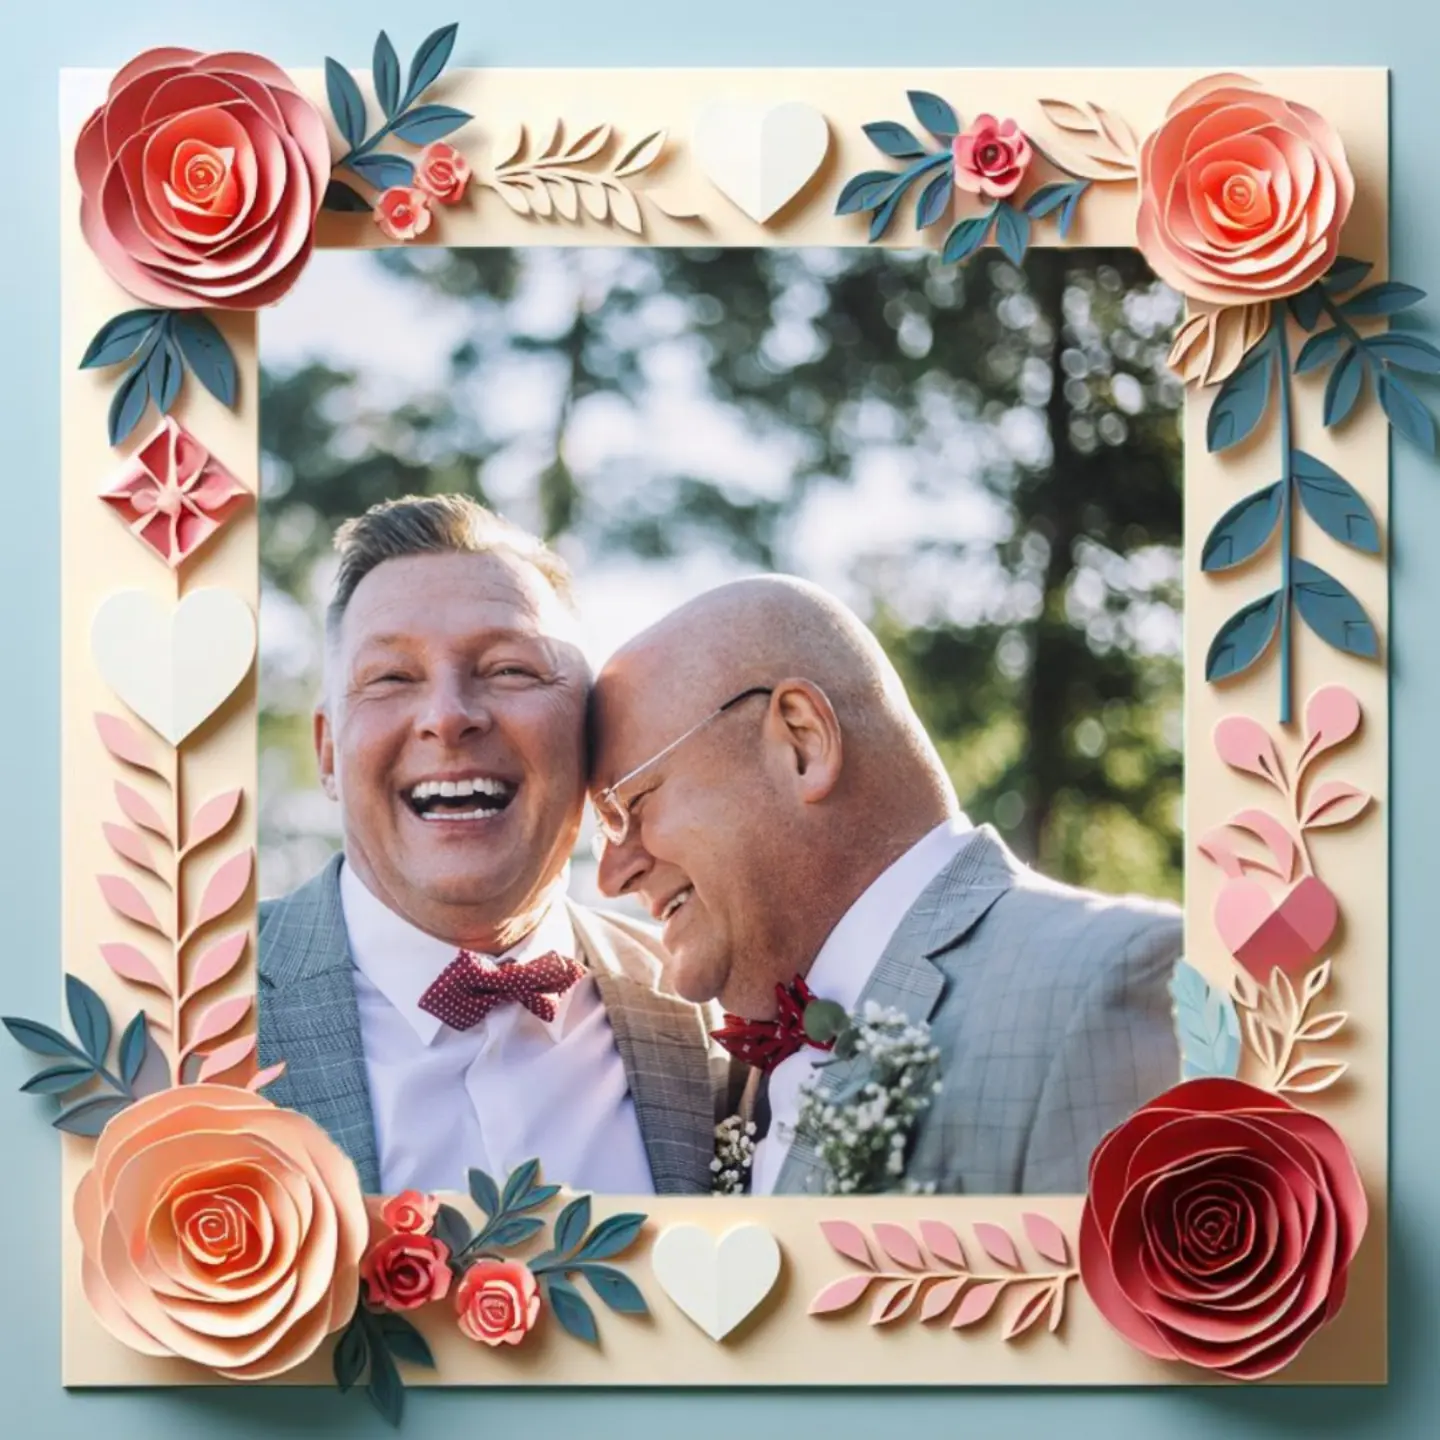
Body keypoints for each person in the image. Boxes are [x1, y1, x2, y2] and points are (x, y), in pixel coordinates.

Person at [589, 575, 1182, 1195]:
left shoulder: (1118, 982)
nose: (611, 874)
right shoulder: (724, 1086)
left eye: (630, 804)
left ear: (802, 742)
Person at [257, 495, 725, 1197]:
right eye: (391, 677)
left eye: (509, 670)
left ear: (591, 736)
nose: (448, 717)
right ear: (328, 752)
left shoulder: (709, 1012)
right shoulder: (192, 1001)